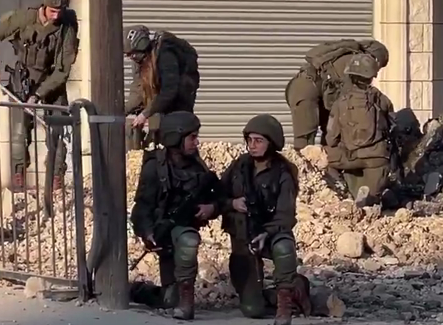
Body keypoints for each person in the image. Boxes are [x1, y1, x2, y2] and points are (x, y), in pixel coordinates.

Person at [220, 114, 311, 325]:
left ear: (271, 143)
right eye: (249, 140)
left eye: (258, 141)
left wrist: (266, 233)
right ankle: (284, 291)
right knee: (253, 309)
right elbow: (217, 194)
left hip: (272, 232)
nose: (252, 146)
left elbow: (286, 215)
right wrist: (232, 204)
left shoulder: (284, 173)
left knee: (284, 248)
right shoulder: (240, 166)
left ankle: (285, 301)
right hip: (243, 237)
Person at [130, 111, 220, 320]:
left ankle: (187, 302)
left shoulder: (198, 167)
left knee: (189, 240)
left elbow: (221, 197)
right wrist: (148, 232)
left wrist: (211, 208)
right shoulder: (155, 167)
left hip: (183, 229)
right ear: (175, 138)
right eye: (192, 137)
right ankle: (137, 290)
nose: (196, 142)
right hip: (163, 232)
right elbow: (142, 206)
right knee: (169, 300)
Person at [0, 0, 79, 190]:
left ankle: (56, 177)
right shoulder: (24, 18)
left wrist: (39, 95)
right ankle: (18, 175)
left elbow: (63, 69)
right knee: (20, 131)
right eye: (52, 11)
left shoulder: (67, 24)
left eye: (59, 11)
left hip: (53, 81)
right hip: (24, 79)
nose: (56, 16)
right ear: (44, 6)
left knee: (56, 132)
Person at [285, 39, 389, 150]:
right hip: (305, 90)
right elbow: (350, 97)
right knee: (305, 139)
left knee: (330, 130)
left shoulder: (353, 58)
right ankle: (299, 166)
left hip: (316, 90)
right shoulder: (354, 61)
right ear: (376, 59)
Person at [324, 53, 395, 207]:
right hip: (377, 159)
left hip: (350, 158)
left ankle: (342, 191)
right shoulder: (381, 99)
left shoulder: (340, 102)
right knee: (372, 199)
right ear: (372, 76)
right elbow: (392, 127)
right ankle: (370, 199)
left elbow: (331, 138)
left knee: (322, 158)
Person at [122, 25, 200, 148]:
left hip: (180, 96)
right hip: (163, 95)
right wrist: (123, 111)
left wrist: (145, 114)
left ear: (141, 47)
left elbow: (169, 91)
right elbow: (138, 89)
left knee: (176, 129)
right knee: (156, 125)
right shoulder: (140, 61)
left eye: (131, 54)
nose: (130, 57)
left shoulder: (165, 55)